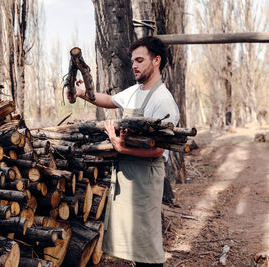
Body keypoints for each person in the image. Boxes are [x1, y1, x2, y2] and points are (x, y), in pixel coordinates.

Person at [67, 36, 179, 267]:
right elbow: (108, 100)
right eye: (133, 61)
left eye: (140, 60)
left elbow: (158, 151)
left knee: (147, 248)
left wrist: (122, 147)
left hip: (145, 179)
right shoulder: (136, 90)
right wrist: (80, 93)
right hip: (127, 176)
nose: (134, 66)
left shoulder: (163, 101)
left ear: (156, 60)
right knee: (133, 248)